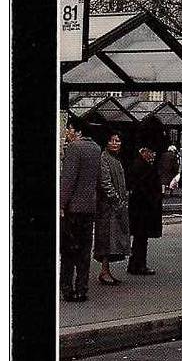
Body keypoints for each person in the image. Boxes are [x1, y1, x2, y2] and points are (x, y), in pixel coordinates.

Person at [59, 116, 102, 302]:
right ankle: (82, 288)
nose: (67, 133)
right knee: (84, 251)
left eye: (69, 129)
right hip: (89, 208)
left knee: (69, 251)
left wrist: (61, 204)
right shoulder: (96, 148)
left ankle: (67, 289)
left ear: (78, 131)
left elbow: (68, 180)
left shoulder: (74, 148)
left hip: (73, 209)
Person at [93, 131, 130, 285]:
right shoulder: (104, 158)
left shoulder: (115, 159)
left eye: (118, 140)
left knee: (112, 240)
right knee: (107, 240)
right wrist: (117, 200)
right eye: (112, 140)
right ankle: (104, 271)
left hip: (114, 207)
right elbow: (105, 182)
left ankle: (106, 271)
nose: (115, 143)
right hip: (108, 208)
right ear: (106, 143)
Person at [127, 146, 162, 275]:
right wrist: (154, 199)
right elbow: (145, 187)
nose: (153, 154)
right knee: (141, 238)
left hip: (139, 208)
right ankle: (139, 265)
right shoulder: (143, 167)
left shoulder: (138, 165)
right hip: (143, 208)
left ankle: (135, 264)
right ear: (144, 152)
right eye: (151, 152)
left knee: (139, 238)